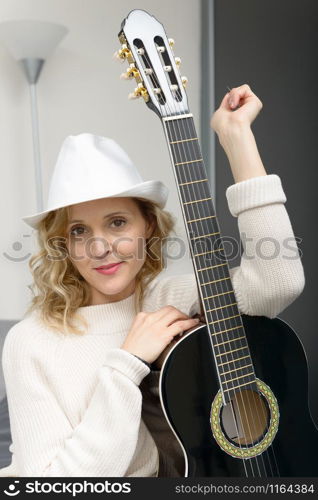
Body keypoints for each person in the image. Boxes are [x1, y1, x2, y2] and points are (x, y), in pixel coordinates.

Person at [0, 84, 305, 477]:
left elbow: (278, 283)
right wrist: (127, 363)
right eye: (78, 231)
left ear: (148, 226)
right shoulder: (33, 341)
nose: (99, 248)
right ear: (62, 244)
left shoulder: (171, 299)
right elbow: (57, 486)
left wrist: (238, 138)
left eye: (117, 222)